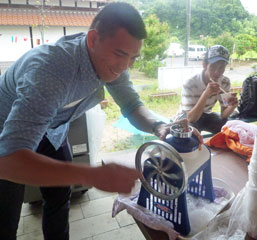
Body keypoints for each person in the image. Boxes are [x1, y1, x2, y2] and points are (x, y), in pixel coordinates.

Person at [0, 2, 202, 240]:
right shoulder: (51, 71)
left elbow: (131, 105)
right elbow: (9, 161)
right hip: (7, 135)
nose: (125, 66)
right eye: (120, 54)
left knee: (59, 197)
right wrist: (91, 175)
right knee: (6, 216)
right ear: (93, 39)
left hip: (53, 129)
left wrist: (159, 125)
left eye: (133, 57)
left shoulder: (110, 62)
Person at [176, 45, 238, 134]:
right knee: (190, 133)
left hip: (206, 114)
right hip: (186, 116)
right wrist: (205, 94)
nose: (217, 72)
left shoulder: (224, 82)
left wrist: (232, 106)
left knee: (229, 129)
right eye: (213, 67)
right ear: (205, 65)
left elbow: (224, 114)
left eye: (221, 67)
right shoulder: (190, 83)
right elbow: (191, 118)